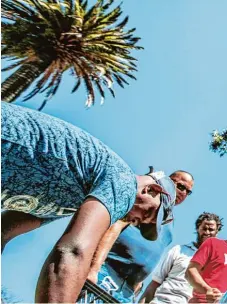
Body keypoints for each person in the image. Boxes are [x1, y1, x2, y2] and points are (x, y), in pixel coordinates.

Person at [0, 102, 175, 303]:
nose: (134, 221)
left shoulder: (69, 198)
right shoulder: (124, 182)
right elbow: (72, 252)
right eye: (146, 215)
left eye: (138, 224)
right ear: (150, 190)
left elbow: (3, 230)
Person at [84, 170, 195, 302]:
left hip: (127, 292)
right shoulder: (146, 203)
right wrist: (94, 268)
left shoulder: (170, 225)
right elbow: (114, 228)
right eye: (181, 186)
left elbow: (154, 255)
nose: (183, 193)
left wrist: (139, 285)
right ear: (169, 182)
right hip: (105, 274)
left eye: (188, 191)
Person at [139, 212, 223, 303]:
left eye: (211, 229)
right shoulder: (178, 250)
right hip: (162, 300)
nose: (207, 232)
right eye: (204, 228)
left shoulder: (217, 261)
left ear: (217, 232)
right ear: (198, 228)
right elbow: (155, 283)